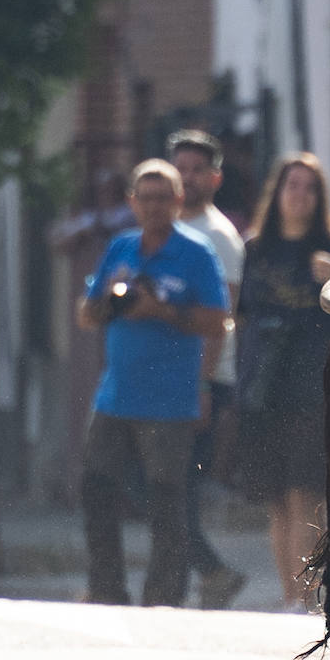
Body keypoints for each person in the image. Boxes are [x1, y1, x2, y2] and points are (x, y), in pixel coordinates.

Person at [76, 159, 229, 606]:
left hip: (169, 402)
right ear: (132, 203)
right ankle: (106, 588)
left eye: (164, 197)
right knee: (96, 488)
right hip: (115, 395)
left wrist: (162, 311)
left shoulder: (197, 253)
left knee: (165, 502)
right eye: (146, 198)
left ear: (179, 201)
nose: (155, 206)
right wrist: (110, 301)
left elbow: (219, 322)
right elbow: (86, 315)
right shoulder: (121, 248)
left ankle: (163, 597)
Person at [236, 153, 330, 610]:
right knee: (276, 499)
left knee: (307, 495)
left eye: (309, 187)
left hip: (316, 388)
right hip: (263, 389)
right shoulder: (255, 249)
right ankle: (289, 594)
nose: (299, 195)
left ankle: (310, 597)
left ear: (320, 197)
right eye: (291, 185)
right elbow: (241, 317)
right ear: (277, 193)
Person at [167, 129, 247, 610]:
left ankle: (207, 574)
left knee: (180, 488)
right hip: (161, 376)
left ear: (215, 178)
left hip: (204, 379)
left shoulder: (220, 238)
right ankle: (200, 574)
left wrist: (202, 384)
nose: (188, 177)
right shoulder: (162, 229)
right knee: (155, 483)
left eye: (198, 169)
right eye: (181, 168)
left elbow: (225, 318)